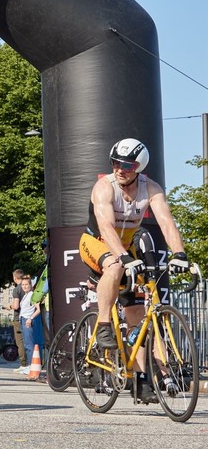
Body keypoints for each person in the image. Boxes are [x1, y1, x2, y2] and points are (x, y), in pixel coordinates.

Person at [78, 138, 189, 404]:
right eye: (115, 162)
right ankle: (104, 324)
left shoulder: (150, 188)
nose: (119, 169)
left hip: (126, 248)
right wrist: (124, 256)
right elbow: (105, 227)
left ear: (139, 167)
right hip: (96, 243)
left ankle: (141, 380)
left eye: (127, 165)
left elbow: (166, 222)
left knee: (138, 317)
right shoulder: (104, 187)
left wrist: (180, 254)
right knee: (115, 265)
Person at [18, 274, 44, 375]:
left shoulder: (32, 295)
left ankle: (32, 365)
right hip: (24, 319)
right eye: (23, 284)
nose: (24, 286)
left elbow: (38, 310)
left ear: (30, 285)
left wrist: (30, 318)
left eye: (26, 284)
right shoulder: (25, 295)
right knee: (27, 344)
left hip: (28, 320)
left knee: (30, 344)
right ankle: (30, 365)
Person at [8, 268, 28, 374]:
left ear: (15, 278)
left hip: (18, 318)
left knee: (20, 342)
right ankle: (30, 362)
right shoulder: (28, 288)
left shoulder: (17, 289)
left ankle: (24, 364)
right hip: (28, 317)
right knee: (28, 341)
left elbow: (16, 306)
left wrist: (10, 306)